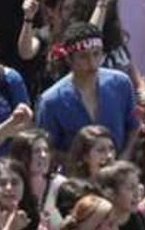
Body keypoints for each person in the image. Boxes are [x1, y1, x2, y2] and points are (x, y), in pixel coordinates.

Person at [37, 16, 138, 156]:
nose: (92, 63)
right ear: (69, 59)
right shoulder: (51, 101)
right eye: (83, 57)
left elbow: (134, 128)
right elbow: (49, 149)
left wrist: (124, 159)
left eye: (96, 54)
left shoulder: (121, 84)